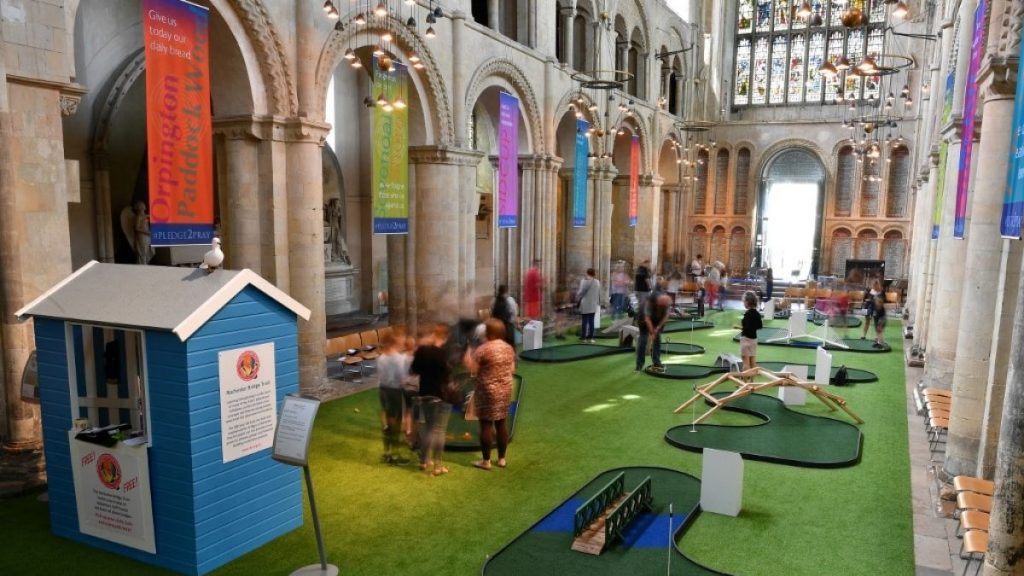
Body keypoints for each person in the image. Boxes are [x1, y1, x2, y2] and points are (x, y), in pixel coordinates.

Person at [462, 319, 516, 471]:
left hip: (487, 391)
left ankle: (486, 461)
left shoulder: (483, 349)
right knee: (501, 424)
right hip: (505, 389)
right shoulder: (508, 348)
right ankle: (502, 459)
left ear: (489, 332)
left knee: (486, 424)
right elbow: (512, 369)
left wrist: (467, 354)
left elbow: (472, 369)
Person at [409, 324, 453, 476]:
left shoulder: (422, 350)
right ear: (445, 337)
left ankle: (424, 461)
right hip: (440, 395)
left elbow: (414, 370)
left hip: (425, 392)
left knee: (428, 428)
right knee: (439, 430)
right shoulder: (443, 353)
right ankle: (438, 465)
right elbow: (447, 374)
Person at [376, 331, 411, 464]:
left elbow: (381, 376)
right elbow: (402, 378)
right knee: (396, 423)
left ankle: (387, 452)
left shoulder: (381, 358)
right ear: (395, 343)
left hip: (383, 390)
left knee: (387, 424)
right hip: (395, 391)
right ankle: (395, 454)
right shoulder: (399, 359)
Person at [636, 290, 672, 373]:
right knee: (643, 341)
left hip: (656, 321)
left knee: (657, 340)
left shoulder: (666, 304)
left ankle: (656, 362)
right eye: (661, 306)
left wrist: (657, 328)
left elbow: (665, 317)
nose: (663, 307)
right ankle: (639, 365)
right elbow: (647, 319)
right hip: (643, 320)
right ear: (658, 302)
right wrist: (652, 332)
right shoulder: (649, 302)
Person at [740, 291, 763, 373]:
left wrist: (740, 327)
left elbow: (746, 328)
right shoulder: (757, 314)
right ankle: (752, 380)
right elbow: (760, 326)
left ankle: (745, 380)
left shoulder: (747, 314)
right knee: (753, 362)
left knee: (746, 362)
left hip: (746, 339)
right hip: (754, 339)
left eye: (744, 301)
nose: (743, 303)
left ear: (747, 302)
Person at [576, 268, 601, 343]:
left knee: (584, 321)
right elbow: (598, 293)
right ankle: (591, 338)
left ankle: (584, 338)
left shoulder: (584, 281)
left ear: (587, 273)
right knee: (591, 321)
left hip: (585, 304)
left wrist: (576, 296)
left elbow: (580, 293)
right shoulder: (597, 282)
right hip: (593, 304)